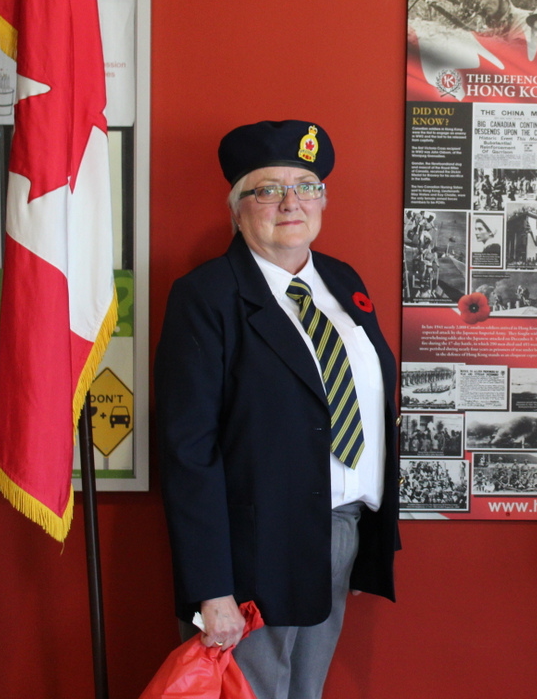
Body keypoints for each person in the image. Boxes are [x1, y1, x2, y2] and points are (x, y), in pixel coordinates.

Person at [156, 120, 400, 699]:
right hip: (253, 550)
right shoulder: (207, 297)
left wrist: (367, 544)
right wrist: (211, 590)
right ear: (237, 206)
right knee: (256, 691)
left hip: (340, 531)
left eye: (307, 185)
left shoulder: (343, 282)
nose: (291, 202)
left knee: (303, 692)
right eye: (268, 189)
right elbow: (189, 452)